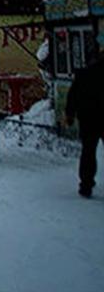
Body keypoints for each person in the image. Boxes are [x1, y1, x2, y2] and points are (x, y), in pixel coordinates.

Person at [65, 39, 103, 198]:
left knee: (88, 152)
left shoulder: (84, 74)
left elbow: (73, 95)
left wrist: (70, 114)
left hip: (88, 119)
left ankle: (86, 184)